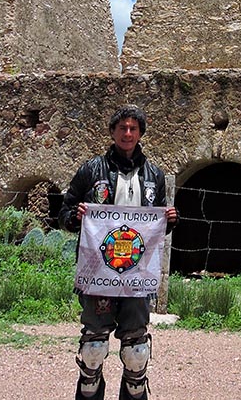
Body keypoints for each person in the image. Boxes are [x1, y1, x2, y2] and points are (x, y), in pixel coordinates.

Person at [60, 104, 178, 400]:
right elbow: (64, 211)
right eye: (122, 128)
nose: (128, 133)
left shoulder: (155, 175)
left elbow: (153, 229)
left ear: (141, 134)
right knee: (93, 349)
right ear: (112, 132)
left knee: (137, 351)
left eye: (133, 129)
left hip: (137, 275)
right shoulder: (91, 170)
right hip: (98, 273)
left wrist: (171, 221)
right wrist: (77, 215)